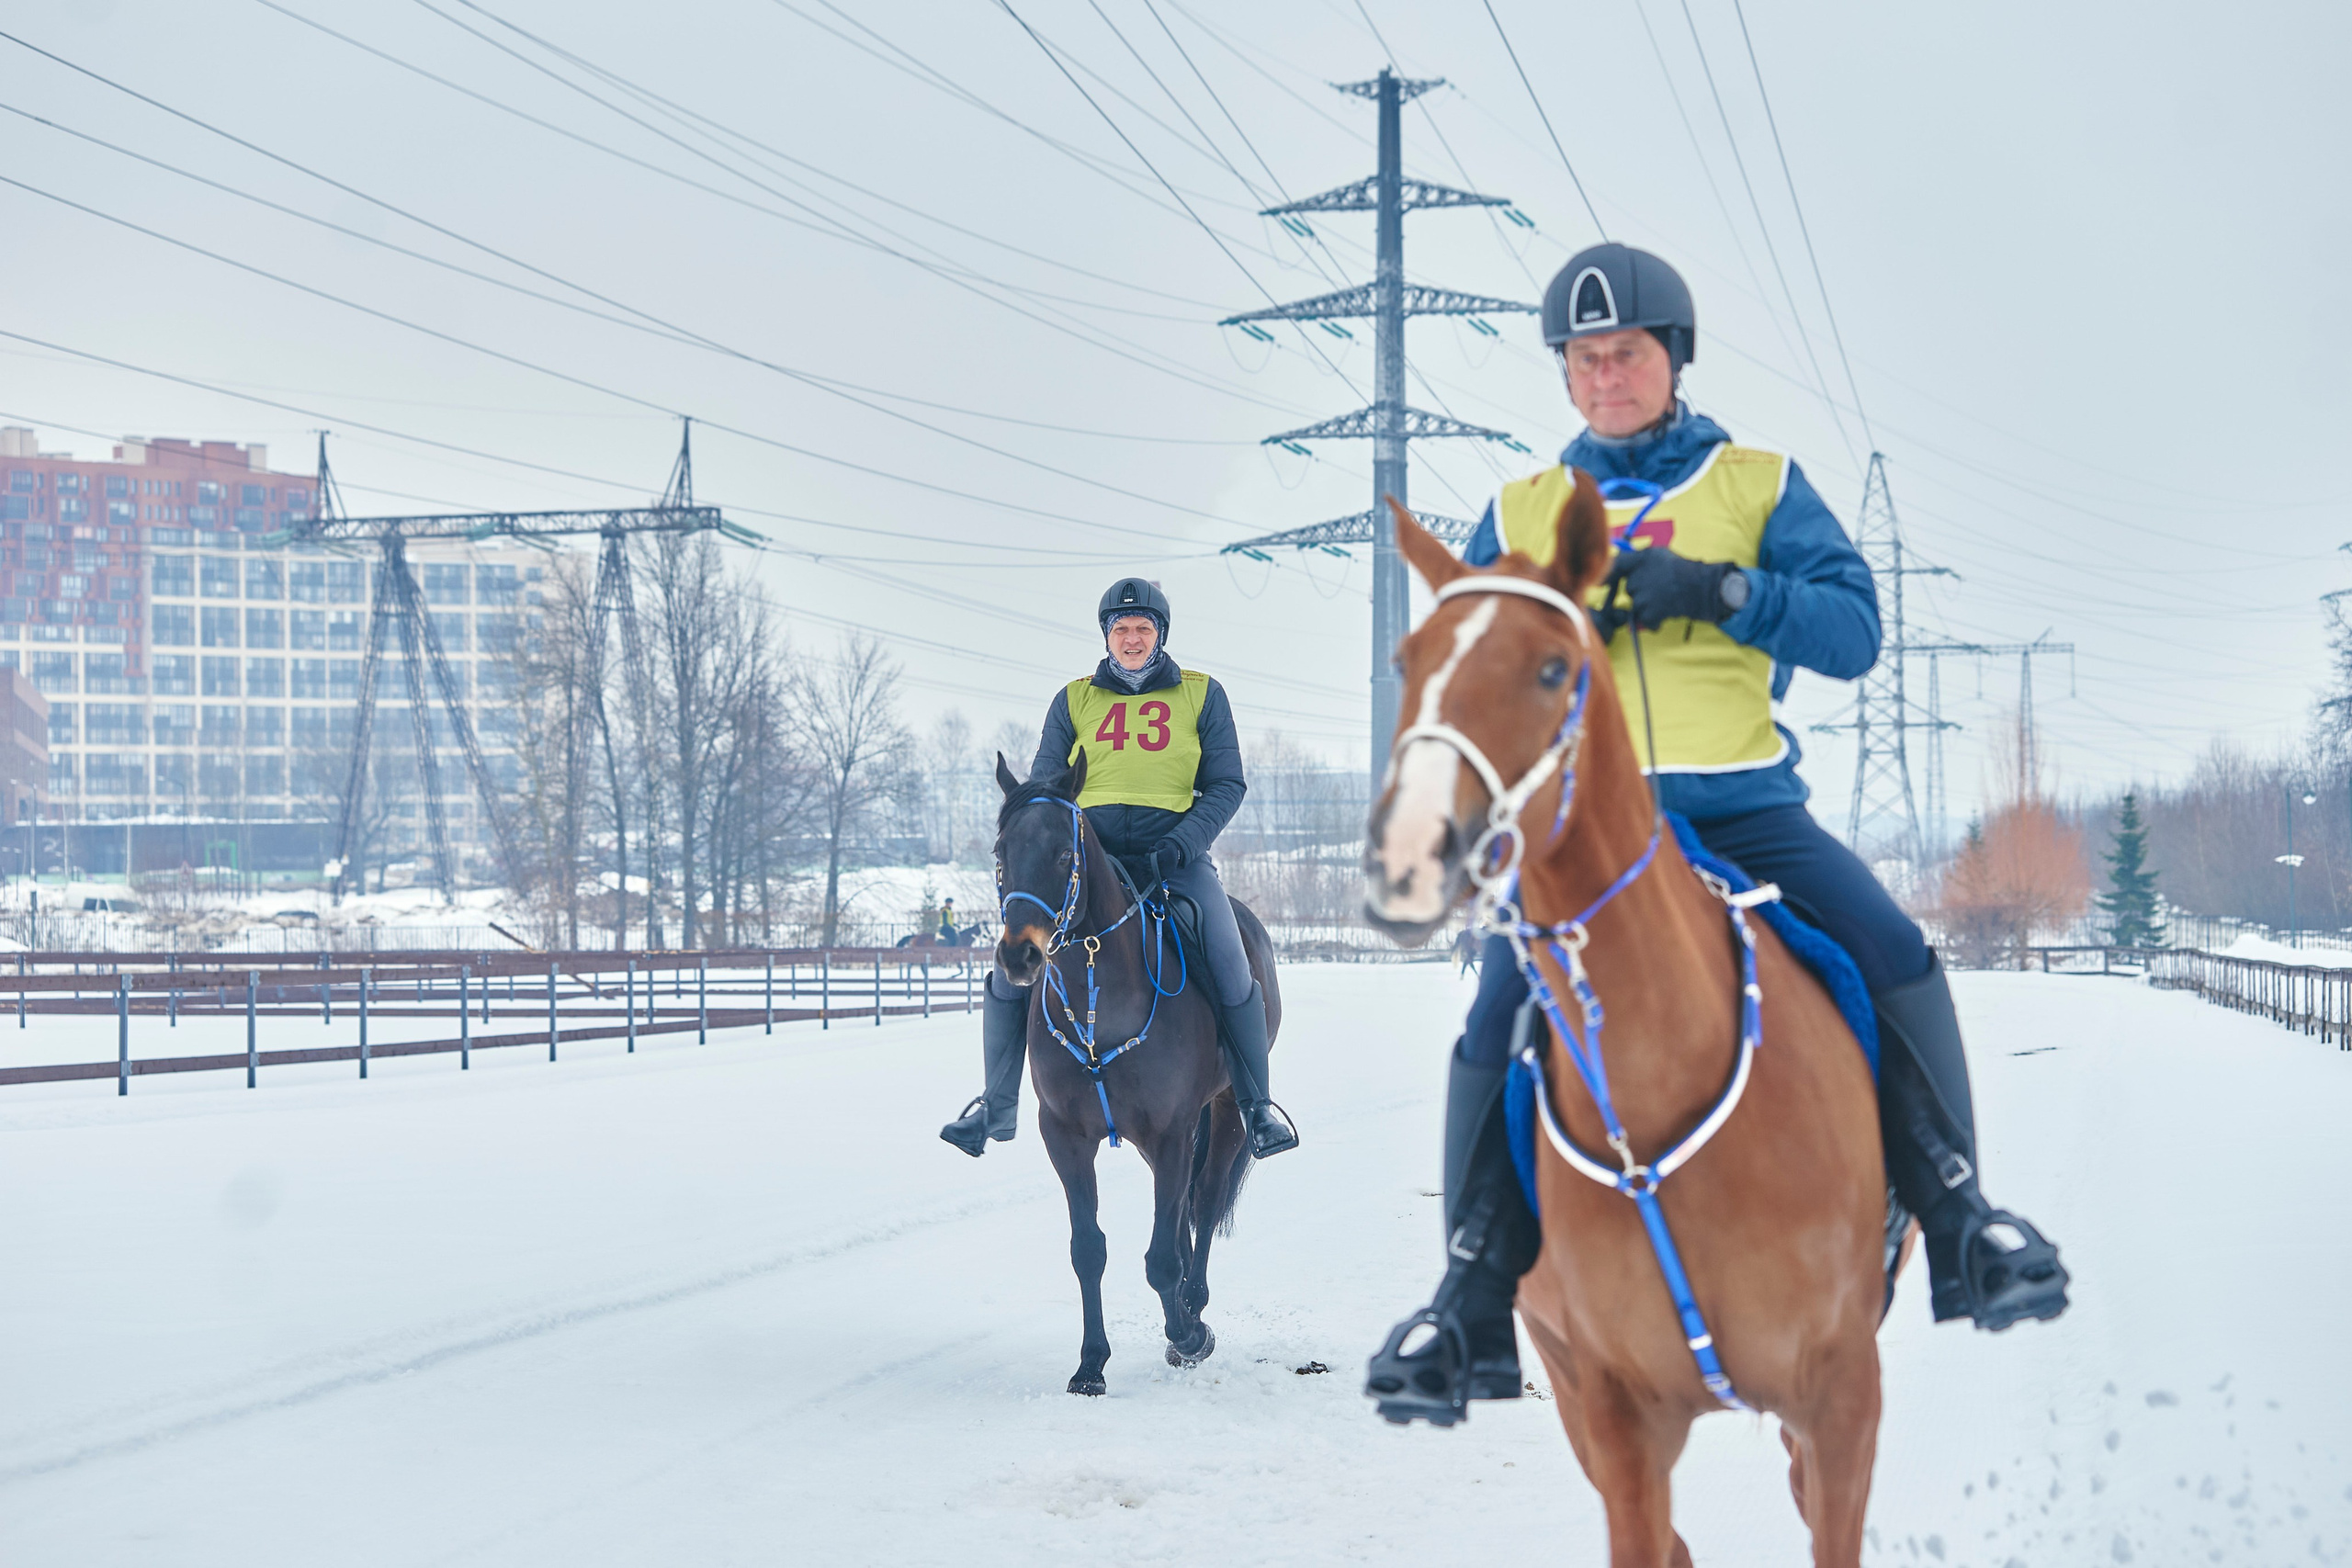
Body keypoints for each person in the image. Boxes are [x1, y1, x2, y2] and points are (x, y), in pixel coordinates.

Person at [1365, 243, 2068, 1426]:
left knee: (1892, 953)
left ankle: (1961, 1222)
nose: (1603, 378)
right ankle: (1470, 1299)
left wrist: (1724, 593)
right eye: (1582, 362)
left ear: (1672, 359)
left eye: (1625, 355)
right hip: (1581, 840)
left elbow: (1853, 633)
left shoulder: (1756, 483)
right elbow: (1478, 663)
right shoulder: (1524, 506)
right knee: (1492, 1014)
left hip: (1742, 808)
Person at [940, 578, 1299, 1161]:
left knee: (1234, 963)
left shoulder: (1202, 694)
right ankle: (995, 1104)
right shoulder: (1074, 698)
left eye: (1143, 628)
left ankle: (1257, 1106)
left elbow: (1227, 784)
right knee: (1013, 960)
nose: (1131, 638)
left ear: (1161, 634)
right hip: (1089, 859)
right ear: (1106, 635)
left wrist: (1183, 843)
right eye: (1121, 629)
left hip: (1175, 858)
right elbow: (1048, 787)